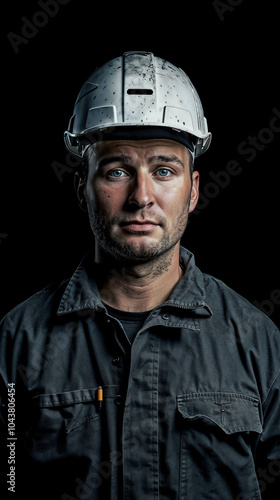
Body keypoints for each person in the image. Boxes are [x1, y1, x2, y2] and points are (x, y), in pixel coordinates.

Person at [0, 51, 279, 500]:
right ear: (82, 189)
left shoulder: (259, 341)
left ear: (193, 191)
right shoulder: (16, 342)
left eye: (164, 170)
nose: (141, 196)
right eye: (117, 171)